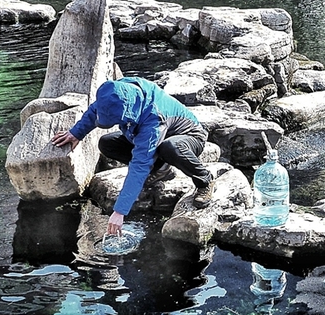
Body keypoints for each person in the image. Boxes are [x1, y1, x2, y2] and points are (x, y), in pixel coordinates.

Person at [51, 77, 215, 236]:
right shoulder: (115, 91)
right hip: (156, 138)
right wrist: (76, 133)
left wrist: (120, 211)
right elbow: (96, 110)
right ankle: (161, 169)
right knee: (107, 143)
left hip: (188, 137)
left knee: (170, 147)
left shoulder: (154, 118)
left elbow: (140, 164)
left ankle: (205, 180)